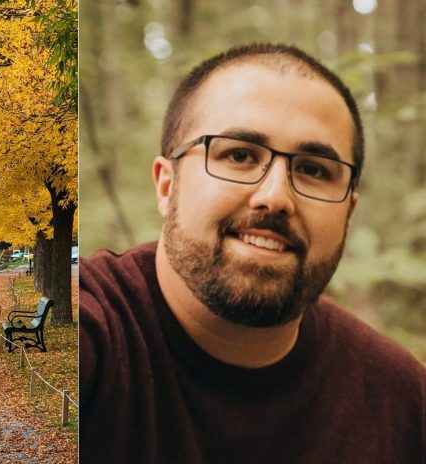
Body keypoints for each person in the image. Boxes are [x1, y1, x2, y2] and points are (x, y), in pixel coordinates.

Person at [79, 43, 426, 463]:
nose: (275, 197)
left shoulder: (402, 403)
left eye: (314, 169)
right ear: (166, 186)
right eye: (239, 155)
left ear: (349, 210)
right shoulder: (91, 331)